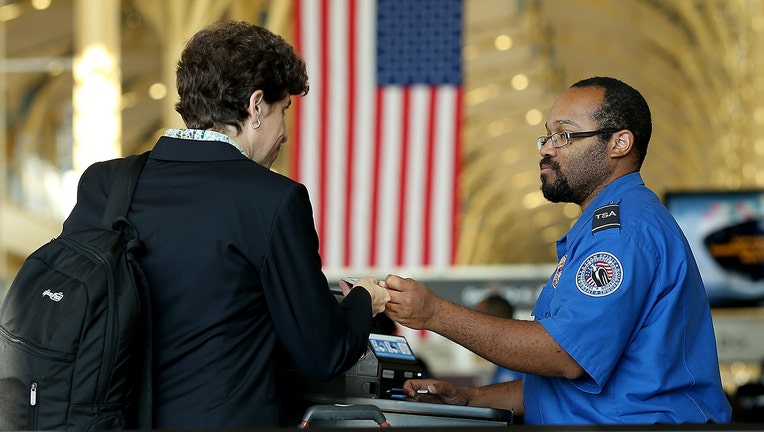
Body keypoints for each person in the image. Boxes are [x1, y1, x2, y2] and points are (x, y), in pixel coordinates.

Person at [61, 21, 389, 429]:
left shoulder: (104, 184)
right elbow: (322, 353)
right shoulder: (273, 200)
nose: (283, 133)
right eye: (282, 110)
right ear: (255, 106)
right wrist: (364, 300)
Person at [382, 76, 732, 424]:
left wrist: (433, 314)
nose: (547, 148)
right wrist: (472, 398)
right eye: (547, 136)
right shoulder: (606, 226)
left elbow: (563, 356)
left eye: (564, 135)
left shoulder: (623, 231)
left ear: (619, 143)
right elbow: (574, 385)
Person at [473, 295, 522, 384]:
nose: (472, 326)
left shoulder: (518, 362)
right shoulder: (503, 360)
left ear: (493, 320)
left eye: (477, 318)